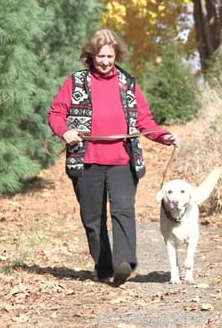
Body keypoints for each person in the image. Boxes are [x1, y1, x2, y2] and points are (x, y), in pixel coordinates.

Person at [47, 28, 178, 286]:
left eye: (110, 55)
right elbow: (56, 113)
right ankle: (104, 266)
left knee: (123, 211)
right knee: (93, 219)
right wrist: (66, 131)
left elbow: (144, 120)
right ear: (91, 56)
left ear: (117, 55)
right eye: (100, 56)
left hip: (122, 160)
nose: (105, 61)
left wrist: (164, 136)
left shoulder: (128, 83)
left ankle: (124, 263)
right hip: (87, 161)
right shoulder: (76, 82)